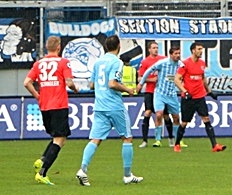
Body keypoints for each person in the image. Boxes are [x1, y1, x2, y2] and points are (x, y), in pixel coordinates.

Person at [76, 34, 144, 186]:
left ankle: (83, 170)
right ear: (119, 46)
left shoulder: (98, 62)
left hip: (100, 105)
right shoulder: (117, 62)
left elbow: (92, 85)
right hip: (114, 105)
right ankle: (127, 175)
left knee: (95, 139)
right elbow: (112, 83)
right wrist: (128, 89)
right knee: (127, 138)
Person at [24, 36, 77, 185]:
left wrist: (38, 96)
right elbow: (69, 82)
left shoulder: (38, 64)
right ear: (59, 47)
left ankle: (42, 160)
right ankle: (43, 172)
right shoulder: (63, 62)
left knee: (57, 137)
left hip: (45, 105)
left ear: (47, 47)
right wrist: (75, 88)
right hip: (59, 105)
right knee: (60, 139)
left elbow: (27, 82)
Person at [173, 41, 226, 153]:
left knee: (206, 119)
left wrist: (209, 91)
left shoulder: (202, 63)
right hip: (188, 98)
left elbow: (202, 78)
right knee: (184, 122)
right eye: (199, 49)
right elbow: (176, 79)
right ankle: (177, 144)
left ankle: (214, 145)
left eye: (201, 49)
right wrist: (185, 91)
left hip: (200, 96)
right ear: (193, 50)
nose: (201, 51)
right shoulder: (185, 63)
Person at [138, 43, 186, 150]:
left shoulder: (181, 65)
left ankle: (178, 140)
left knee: (176, 117)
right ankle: (158, 139)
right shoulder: (162, 63)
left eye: (179, 53)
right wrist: (141, 83)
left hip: (172, 94)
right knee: (159, 114)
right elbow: (148, 71)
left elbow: (185, 74)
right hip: (159, 93)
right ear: (170, 55)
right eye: (176, 53)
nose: (178, 55)